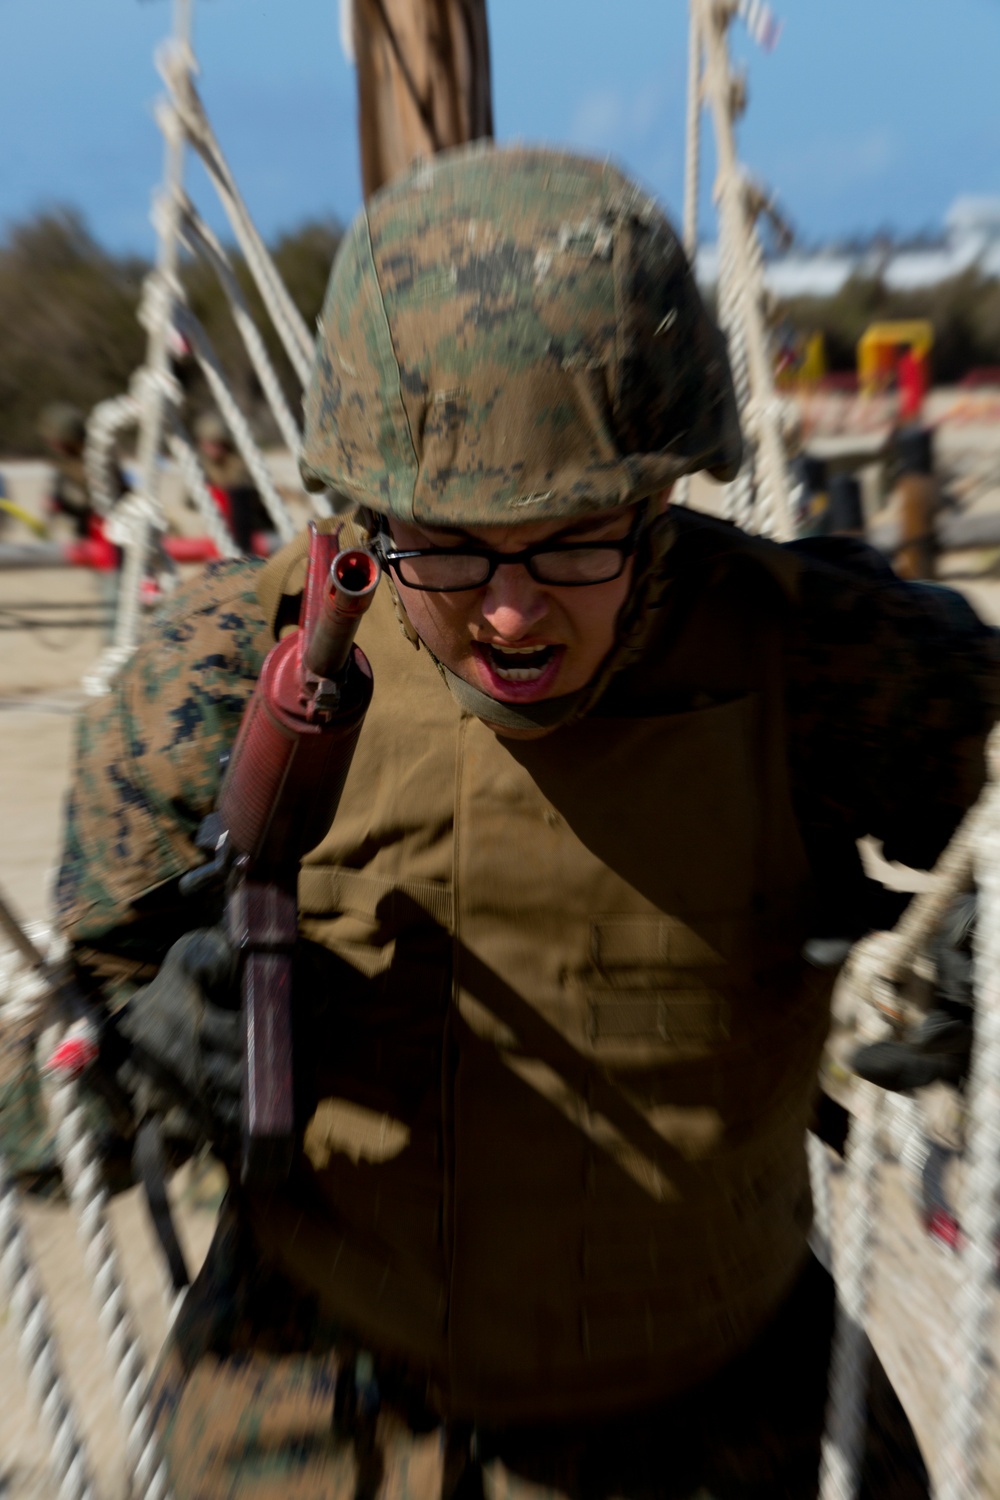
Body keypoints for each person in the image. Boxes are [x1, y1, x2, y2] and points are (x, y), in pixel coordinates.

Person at [52, 146, 1000, 1498]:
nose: (512, 610)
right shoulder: (212, 686)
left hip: (735, 1418)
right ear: (368, 515)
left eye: (573, 539)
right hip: (336, 1416)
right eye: (446, 546)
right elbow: (45, 1103)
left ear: (662, 503)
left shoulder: (827, 663)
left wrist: (966, 960)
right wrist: (140, 1056)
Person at [194, 410, 272, 554]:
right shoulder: (201, 467)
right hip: (218, 526)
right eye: (209, 444)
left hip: (249, 526)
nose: (213, 449)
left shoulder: (237, 465)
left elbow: (248, 503)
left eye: (217, 444)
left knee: (238, 495)